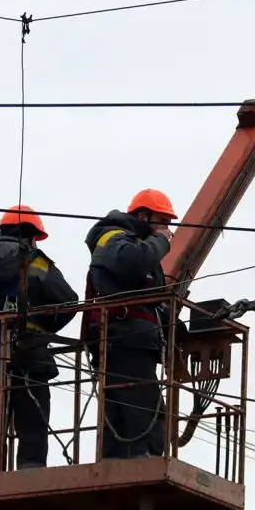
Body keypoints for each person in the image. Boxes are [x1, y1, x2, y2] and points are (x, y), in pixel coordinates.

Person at [0, 205, 78, 474]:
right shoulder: (35, 261)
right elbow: (68, 301)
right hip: (30, 353)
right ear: (30, 234)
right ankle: (31, 474)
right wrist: (44, 325)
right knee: (32, 421)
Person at [81, 188, 178, 460]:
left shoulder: (138, 246)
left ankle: (119, 462)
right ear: (143, 216)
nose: (167, 229)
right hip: (124, 337)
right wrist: (160, 241)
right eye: (163, 221)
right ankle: (143, 460)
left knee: (125, 407)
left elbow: (150, 298)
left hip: (132, 338)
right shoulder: (113, 237)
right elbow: (130, 263)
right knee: (144, 409)